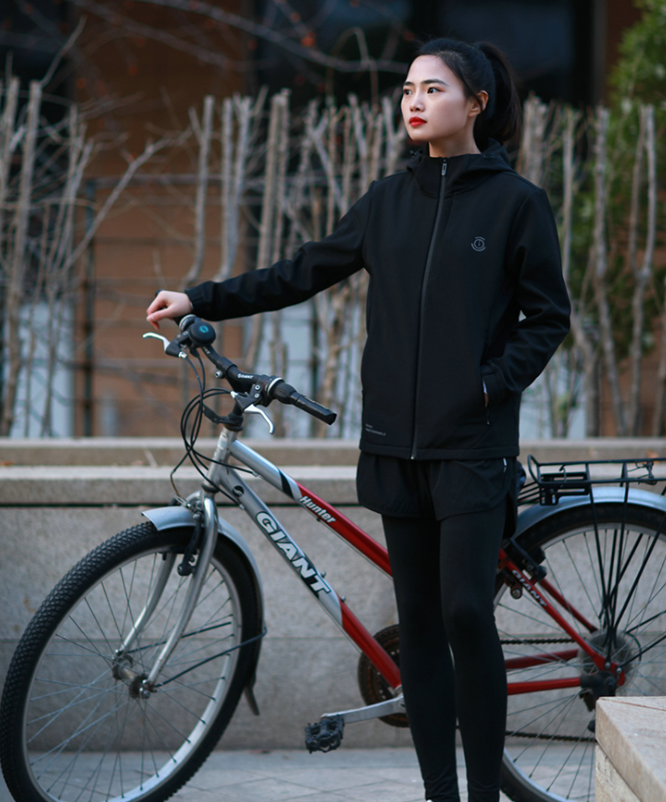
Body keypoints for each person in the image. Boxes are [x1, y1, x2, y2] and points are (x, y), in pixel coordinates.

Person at [146, 38, 571, 802]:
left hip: (473, 446)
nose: (414, 101)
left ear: (475, 103)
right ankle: (441, 794)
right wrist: (200, 297)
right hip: (394, 449)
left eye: (433, 89)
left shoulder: (517, 203)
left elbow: (547, 317)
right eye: (408, 89)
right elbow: (299, 272)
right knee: (422, 629)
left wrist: (489, 386)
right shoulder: (387, 201)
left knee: (466, 613)